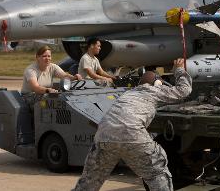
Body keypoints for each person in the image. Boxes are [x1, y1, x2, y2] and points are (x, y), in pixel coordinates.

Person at [73, 58, 192, 191]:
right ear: (157, 83)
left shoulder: (128, 93)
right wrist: (179, 69)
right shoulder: (155, 91)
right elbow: (184, 90)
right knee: (157, 174)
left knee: (89, 181)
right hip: (132, 135)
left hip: (104, 136)